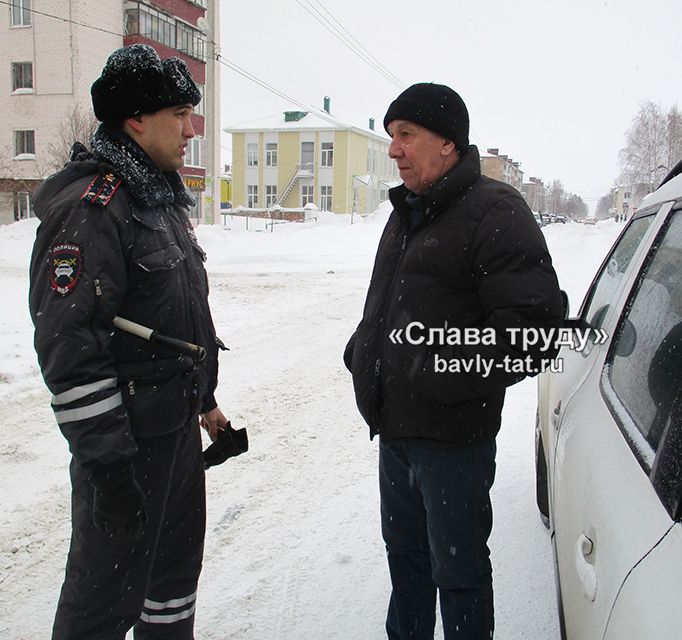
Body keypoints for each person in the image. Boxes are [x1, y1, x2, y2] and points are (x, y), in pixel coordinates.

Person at [344, 83, 564, 639]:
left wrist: (438, 368)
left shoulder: (496, 212)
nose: (393, 150)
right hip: (395, 434)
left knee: (459, 576)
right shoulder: (407, 211)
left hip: (453, 444)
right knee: (408, 571)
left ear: (447, 143)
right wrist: (363, 348)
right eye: (392, 136)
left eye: (406, 135)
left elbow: (536, 333)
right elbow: (394, 301)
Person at [29, 44, 228, 640]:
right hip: (127, 452)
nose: (191, 129)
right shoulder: (94, 209)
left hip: (175, 440)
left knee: (169, 594)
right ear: (136, 120)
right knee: (101, 609)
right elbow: (71, 351)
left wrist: (206, 402)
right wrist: (110, 470)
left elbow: (176, 320)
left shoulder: (157, 199)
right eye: (180, 115)